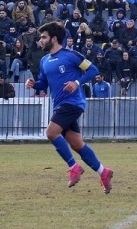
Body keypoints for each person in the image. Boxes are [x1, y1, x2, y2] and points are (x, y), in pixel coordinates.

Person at [25, 21, 114, 194]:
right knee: (77, 144)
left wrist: (77, 81)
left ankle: (74, 167)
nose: (40, 41)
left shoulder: (71, 55)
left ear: (54, 38)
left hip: (73, 103)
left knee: (51, 133)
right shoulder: (44, 60)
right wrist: (34, 84)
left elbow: (93, 70)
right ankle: (104, 172)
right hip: (60, 104)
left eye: (43, 37)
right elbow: (44, 82)